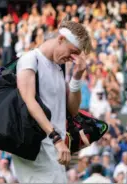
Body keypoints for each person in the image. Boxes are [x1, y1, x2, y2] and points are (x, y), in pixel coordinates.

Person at [12, 20, 92, 183]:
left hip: (55, 148)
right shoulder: (30, 59)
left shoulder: (59, 67)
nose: (72, 58)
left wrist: (76, 77)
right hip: (36, 147)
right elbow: (29, 101)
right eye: (72, 52)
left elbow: (73, 110)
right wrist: (56, 138)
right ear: (61, 39)